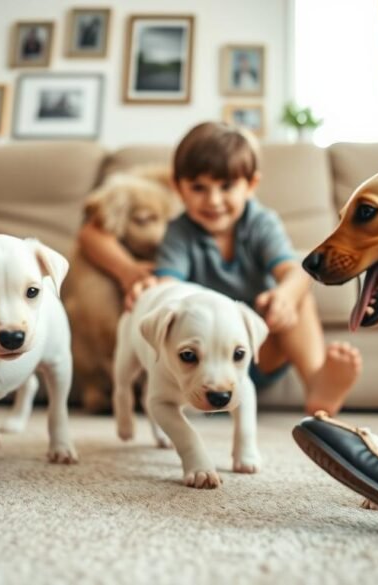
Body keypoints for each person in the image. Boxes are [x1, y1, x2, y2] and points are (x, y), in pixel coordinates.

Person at [80, 122, 362, 415]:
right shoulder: (180, 232)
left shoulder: (261, 223)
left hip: (256, 352)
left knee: (299, 299)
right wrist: (148, 290)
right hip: (197, 364)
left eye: (226, 187)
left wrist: (286, 298)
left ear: (251, 185)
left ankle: (316, 383)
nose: (213, 200)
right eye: (199, 188)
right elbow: (168, 286)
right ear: (179, 188)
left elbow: (296, 271)